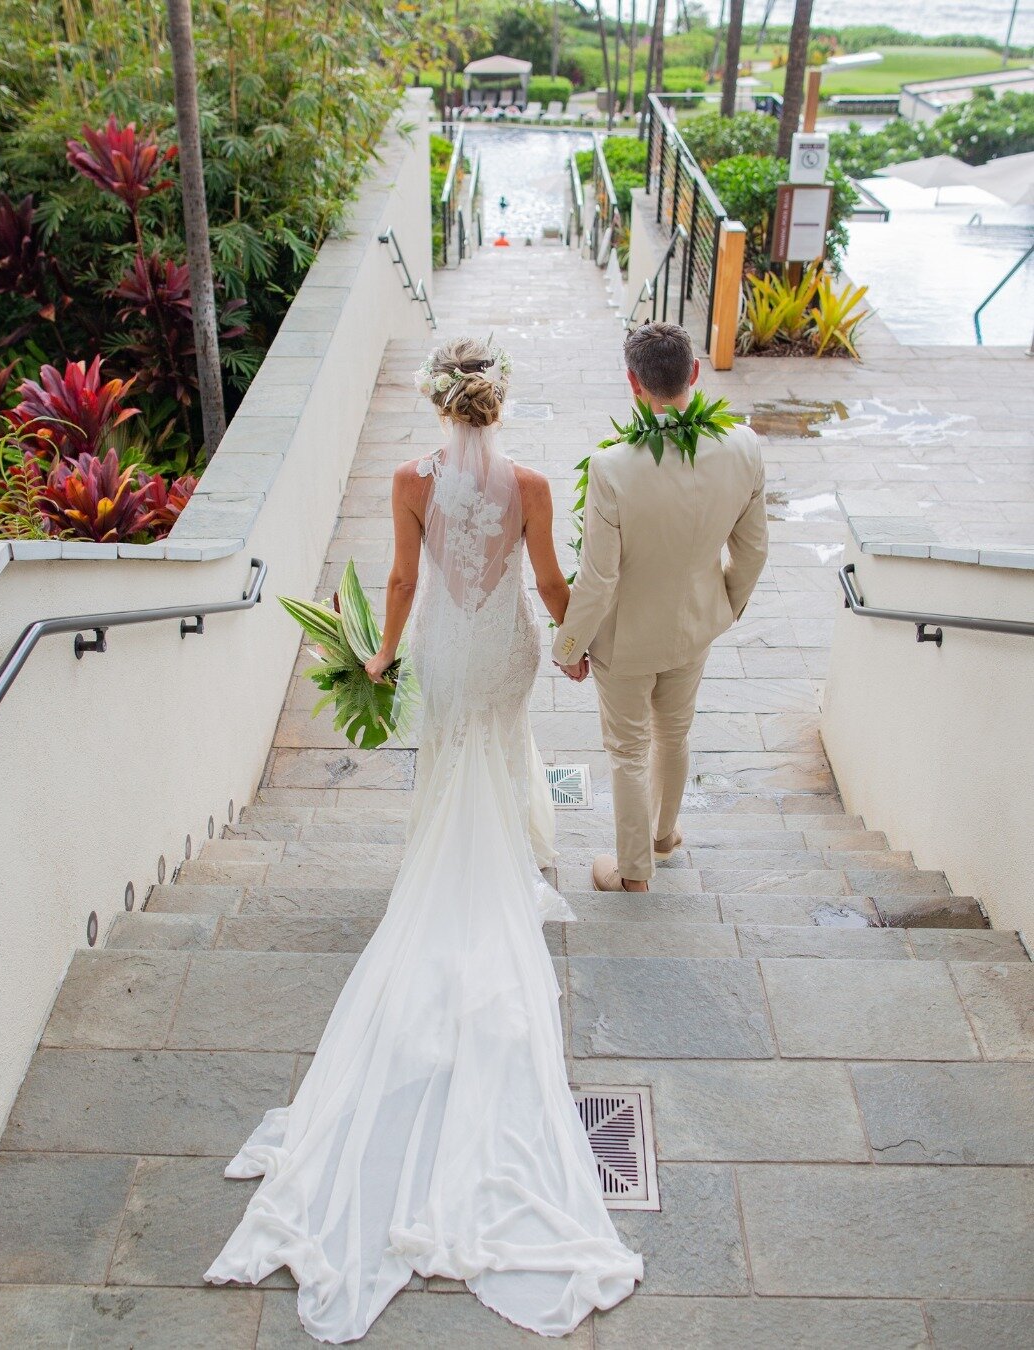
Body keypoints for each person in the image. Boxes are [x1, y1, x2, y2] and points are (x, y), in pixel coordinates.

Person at [204, 336, 642, 1341]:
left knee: (452, 757)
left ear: (440, 403)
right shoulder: (529, 482)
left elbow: (402, 583)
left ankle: (454, 866)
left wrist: (380, 656)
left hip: (445, 647)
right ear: (498, 404)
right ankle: (501, 862)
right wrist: (573, 654)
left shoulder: (408, 479)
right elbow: (549, 584)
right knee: (500, 740)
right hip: (506, 650)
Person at [552, 321, 768, 893]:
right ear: (695, 373)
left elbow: (598, 580)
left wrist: (569, 646)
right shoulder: (744, 447)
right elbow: (752, 552)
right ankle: (664, 837)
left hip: (625, 640)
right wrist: (722, 606)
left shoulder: (612, 467)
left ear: (633, 384)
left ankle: (632, 873)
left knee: (627, 750)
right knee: (674, 734)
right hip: (694, 628)